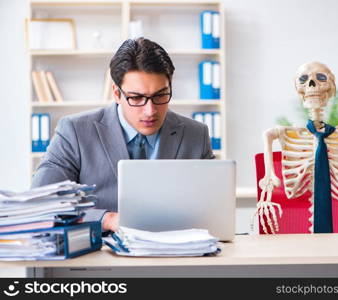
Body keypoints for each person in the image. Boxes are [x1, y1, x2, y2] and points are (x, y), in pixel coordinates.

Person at [31, 37, 214, 232]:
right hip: (101, 256)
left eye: (160, 95)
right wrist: (105, 219)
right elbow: (42, 203)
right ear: (117, 94)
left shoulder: (196, 134)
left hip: (176, 255)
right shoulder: (74, 131)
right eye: (136, 98)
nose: (150, 110)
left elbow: (212, 206)